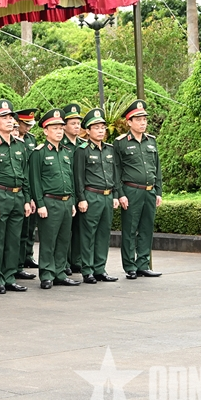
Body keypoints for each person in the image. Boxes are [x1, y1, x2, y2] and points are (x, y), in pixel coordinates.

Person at [0, 100, 31, 294]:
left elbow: (25, 174)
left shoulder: (21, 145)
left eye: (11, 117)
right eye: (5, 118)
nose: (10, 121)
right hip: (0, 195)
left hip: (18, 196)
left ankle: (10, 277)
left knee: (14, 240)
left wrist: (27, 199)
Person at [29, 109, 79, 289]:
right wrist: (40, 204)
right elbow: (35, 180)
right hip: (50, 202)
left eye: (61, 128)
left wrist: (72, 201)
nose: (59, 131)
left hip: (66, 201)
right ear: (45, 131)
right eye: (55, 128)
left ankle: (60, 272)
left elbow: (71, 178)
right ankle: (47, 274)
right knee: (49, 240)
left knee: (64, 240)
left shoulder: (66, 152)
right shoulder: (39, 153)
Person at [114, 99, 162, 280]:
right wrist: (120, 194)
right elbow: (116, 170)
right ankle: (130, 266)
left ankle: (143, 264)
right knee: (130, 230)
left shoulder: (151, 141)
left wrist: (158, 191)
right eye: (138, 119)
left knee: (146, 228)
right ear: (129, 122)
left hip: (149, 191)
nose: (143, 123)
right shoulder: (121, 143)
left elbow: (157, 168)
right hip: (131, 190)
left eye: (144, 119)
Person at [74, 108, 119, 284]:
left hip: (107, 196)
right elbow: (78, 176)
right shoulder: (82, 150)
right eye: (96, 127)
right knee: (88, 235)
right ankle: (87, 270)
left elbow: (114, 174)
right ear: (88, 130)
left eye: (102, 127)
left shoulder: (109, 149)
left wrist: (115, 195)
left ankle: (100, 269)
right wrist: (81, 198)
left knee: (103, 234)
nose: (100, 131)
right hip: (91, 195)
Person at [60, 103, 85, 276]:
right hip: (67, 191)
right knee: (65, 230)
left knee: (79, 228)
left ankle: (77, 260)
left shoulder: (83, 144)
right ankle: (66, 262)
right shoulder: (60, 144)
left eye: (78, 123)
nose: (77, 126)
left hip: (81, 191)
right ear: (64, 126)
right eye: (73, 123)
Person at [15, 109, 39, 272]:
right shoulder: (13, 140)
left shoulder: (31, 139)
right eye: (26, 124)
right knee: (19, 228)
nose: (28, 127)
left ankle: (28, 256)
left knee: (30, 226)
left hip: (31, 185)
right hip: (19, 187)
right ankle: (18, 261)